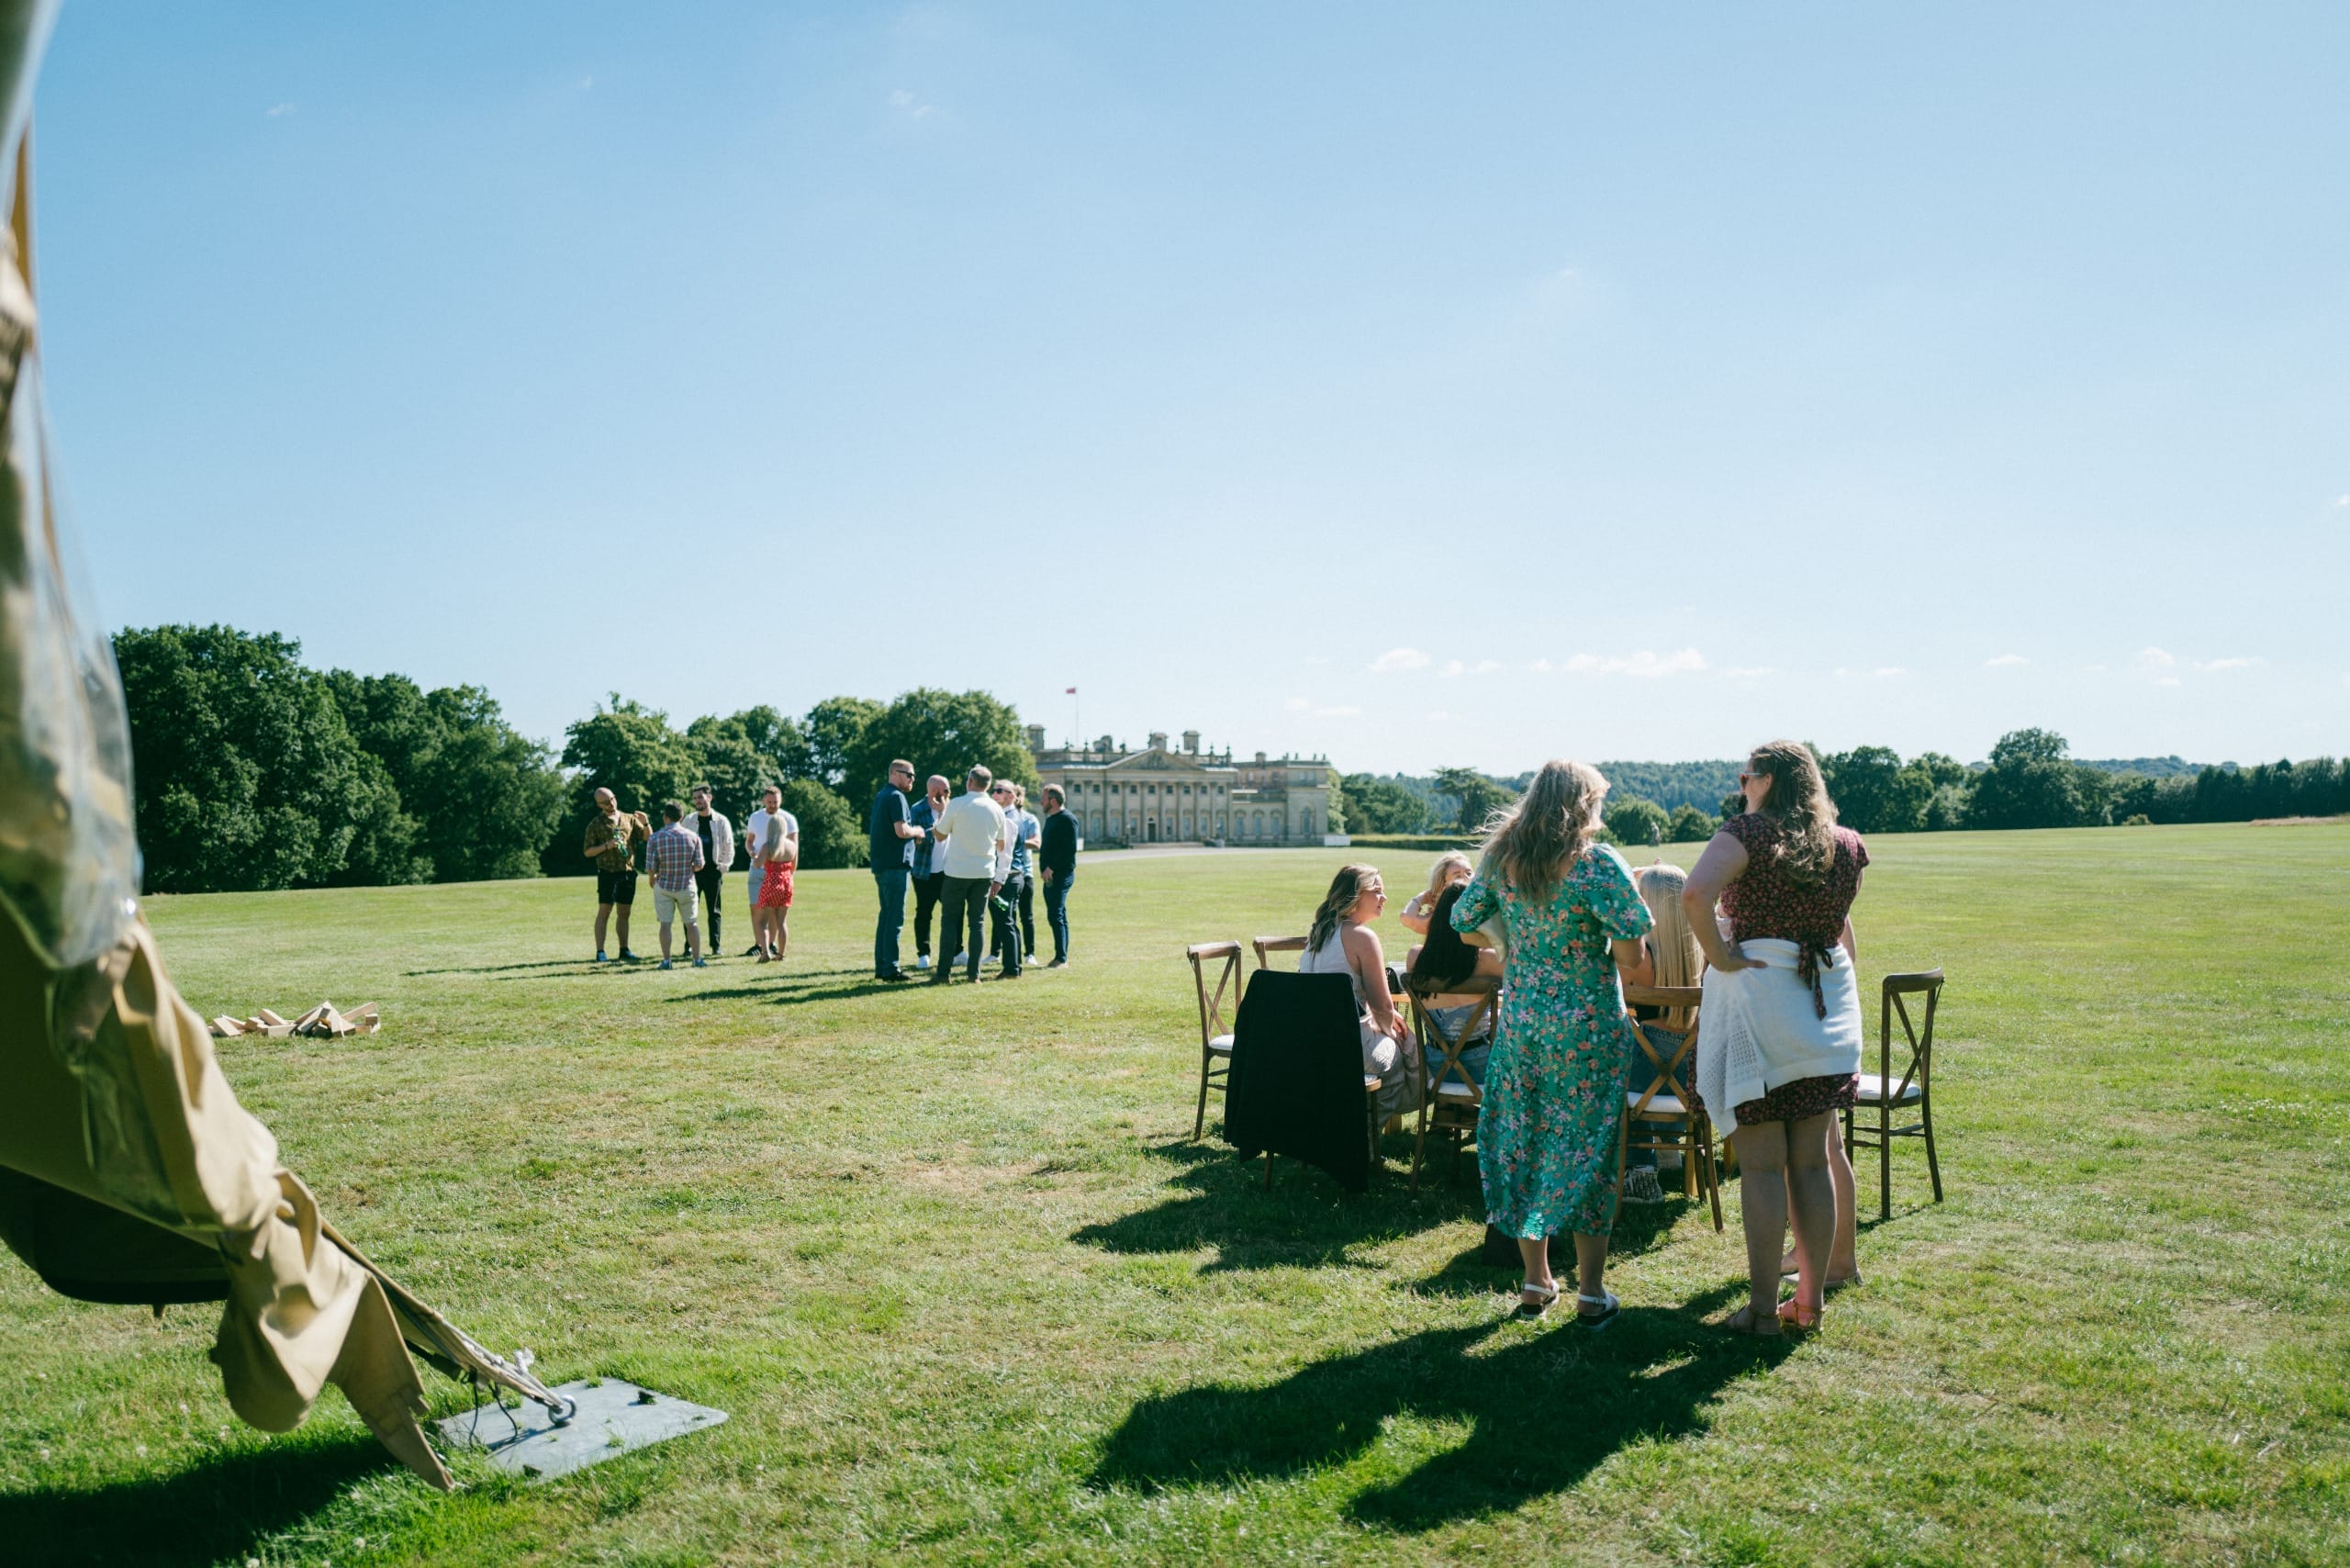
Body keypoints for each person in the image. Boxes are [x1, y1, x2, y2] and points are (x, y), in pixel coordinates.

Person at [1450, 760, 1652, 1327]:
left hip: (1521, 1025)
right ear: (1586, 803)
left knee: (1527, 1139)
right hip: (1588, 1030)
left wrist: (1510, 939)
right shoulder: (1597, 863)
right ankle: (1591, 1292)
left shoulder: (1502, 860)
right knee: (1587, 1147)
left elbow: (1463, 919)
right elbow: (1632, 955)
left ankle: (1536, 1281)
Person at [1684, 740, 1869, 1337]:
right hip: (1827, 1014)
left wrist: (1720, 956)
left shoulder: (1749, 833)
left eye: (1748, 775)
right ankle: (1809, 1305)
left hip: (1763, 1007)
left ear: (1768, 780)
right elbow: (1843, 936)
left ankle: (1764, 1311)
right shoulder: (1842, 843)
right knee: (1812, 1164)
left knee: (1763, 1167)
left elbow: (1693, 894)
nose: (1741, 783)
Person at [1613, 862, 1706, 1206]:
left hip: (1642, 1077)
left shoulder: (1638, 961)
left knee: (1617, 1054)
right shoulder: (1700, 954)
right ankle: (1669, 1150)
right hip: (1689, 1076)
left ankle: (1640, 1169)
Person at [1296, 864, 1416, 1122]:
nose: (1384, 898)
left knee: (1391, 1039)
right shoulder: (1362, 937)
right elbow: (1383, 1006)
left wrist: (1378, 1019)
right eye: (1377, 891)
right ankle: (1365, 1141)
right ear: (1355, 896)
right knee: (1399, 1053)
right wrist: (1389, 1029)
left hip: (1309, 1042)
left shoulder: (1316, 936)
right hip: (1347, 1045)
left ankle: (1340, 1124)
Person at [1405, 876, 1501, 1089]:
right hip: (1484, 1069)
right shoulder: (1489, 961)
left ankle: (1448, 1110)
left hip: (1436, 1067)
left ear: (1437, 916)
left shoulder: (1415, 957)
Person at [926, 765, 1008, 984]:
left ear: (970, 781)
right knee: (977, 923)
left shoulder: (957, 804)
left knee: (950, 922)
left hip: (956, 872)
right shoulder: (996, 809)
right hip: (983, 872)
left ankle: (944, 974)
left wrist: (938, 817)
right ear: (988, 785)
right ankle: (974, 975)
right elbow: (1002, 845)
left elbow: (941, 836)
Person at [869, 759, 923, 981]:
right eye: (909, 775)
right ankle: (890, 969)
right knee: (894, 918)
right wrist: (918, 831)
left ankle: (882, 966)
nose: (912, 779)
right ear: (895, 773)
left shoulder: (882, 795)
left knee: (886, 917)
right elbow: (901, 831)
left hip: (883, 866)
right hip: (895, 867)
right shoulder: (896, 796)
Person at [583, 787, 650, 962]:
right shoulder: (595, 824)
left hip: (627, 873)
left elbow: (646, 837)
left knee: (624, 913)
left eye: (612, 799)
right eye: (605, 802)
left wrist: (647, 822)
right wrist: (607, 845)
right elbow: (588, 851)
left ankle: (624, 949)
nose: (610, 804)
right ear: (599, 805)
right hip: (607, 874)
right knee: (604, 912)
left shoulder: (629, 819)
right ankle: (600, 952)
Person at [643, 801, 707, 969]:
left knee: (665, 924)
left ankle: (666, 961)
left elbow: (650, 866)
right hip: (687, 885)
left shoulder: (655, 837)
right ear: (682, 817)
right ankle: (697, 959)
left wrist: (652, 878)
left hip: (664, 885)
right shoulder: (693, 837)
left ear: (665, 817)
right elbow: (700, 865)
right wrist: (688, 869)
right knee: (691, 924)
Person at [686, 786, 734, 960]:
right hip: (693, 873)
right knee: (690, 911)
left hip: (713, 872)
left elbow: (728, 845)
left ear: (709, 797)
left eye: (700, 797)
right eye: (695, 798)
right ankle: (689, 946)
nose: (698, 801)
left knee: (714, 911)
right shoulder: (689, 821)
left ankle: (716, 946)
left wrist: (722, 866)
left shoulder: (721, 821)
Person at [986, 778, 1028, 978]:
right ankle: (1014, 967)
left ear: (1011, 796)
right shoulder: (1010, 815)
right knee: (1009, 921)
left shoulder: (1009, 819)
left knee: (1005, 922)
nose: (994, 794)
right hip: (1012, 877)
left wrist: (997, 882)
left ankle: (1011, 969)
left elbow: (1006, 854)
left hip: (1007, 879)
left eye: (999, 790)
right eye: (993, 790)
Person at [909, 775, 951, 970]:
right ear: (934, 791)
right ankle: (923, 954)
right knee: (924, 913)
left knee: (953, 912)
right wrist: (942, 816)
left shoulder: (953, 809)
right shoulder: (917, 810)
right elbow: (919, 838)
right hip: (924, 871)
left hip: (948, 871)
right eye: (945, 790)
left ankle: (957, 951)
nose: (947, 794)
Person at [753, 792, 800, 962]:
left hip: (771, 883)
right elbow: (794, 865)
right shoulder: (791, 846)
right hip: (787, 882)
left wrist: (754, 854)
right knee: (781, 922)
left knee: (761, 921)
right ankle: (781, 953)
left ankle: (765, 953)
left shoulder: (769, 846)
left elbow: (758, 864)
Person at [1037, 783, 1077, 967]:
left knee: (1055, 915)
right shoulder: (1052, 818)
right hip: (1050, 876)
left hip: (1061, 875)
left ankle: (1061, 958)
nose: (1041, 802)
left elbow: (1069, 849)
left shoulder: (1067, 819)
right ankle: (1061, 955)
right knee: (1057, 914)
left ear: (1053, 801)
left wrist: (1051, 867)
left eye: (1043, 799)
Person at [1401, 851, 1474, 938]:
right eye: (1457, 876)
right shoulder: (1441, 915)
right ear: (1444, 883)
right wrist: (1424, 896)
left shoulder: (1484, 904)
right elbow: (1407, 918)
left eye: (1469, 873)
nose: (1466, 878)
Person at [743, 786, 777, 954]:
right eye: (769, 802)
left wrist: (791, 870)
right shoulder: (755, 817)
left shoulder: (787, 818)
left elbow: (794, 846)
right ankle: (759, 944)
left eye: (775, 802)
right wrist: (752, 853)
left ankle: (771, 943)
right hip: (756, 868)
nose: (772, 805)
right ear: (764, 801)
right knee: (756, 907)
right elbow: (749, 841)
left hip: (776, 870)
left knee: (773, 908)